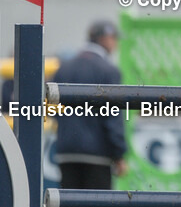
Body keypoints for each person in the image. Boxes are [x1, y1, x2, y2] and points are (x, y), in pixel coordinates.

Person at [54, 20, 128, 188]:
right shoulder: (108, 70)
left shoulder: (64, 68)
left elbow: (53, 108)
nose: (116, 43)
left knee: (70, 201)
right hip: (98, 153)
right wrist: (119, 154)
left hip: (66, 150)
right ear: (105, 39)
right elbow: (112, 115)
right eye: (114, 38)